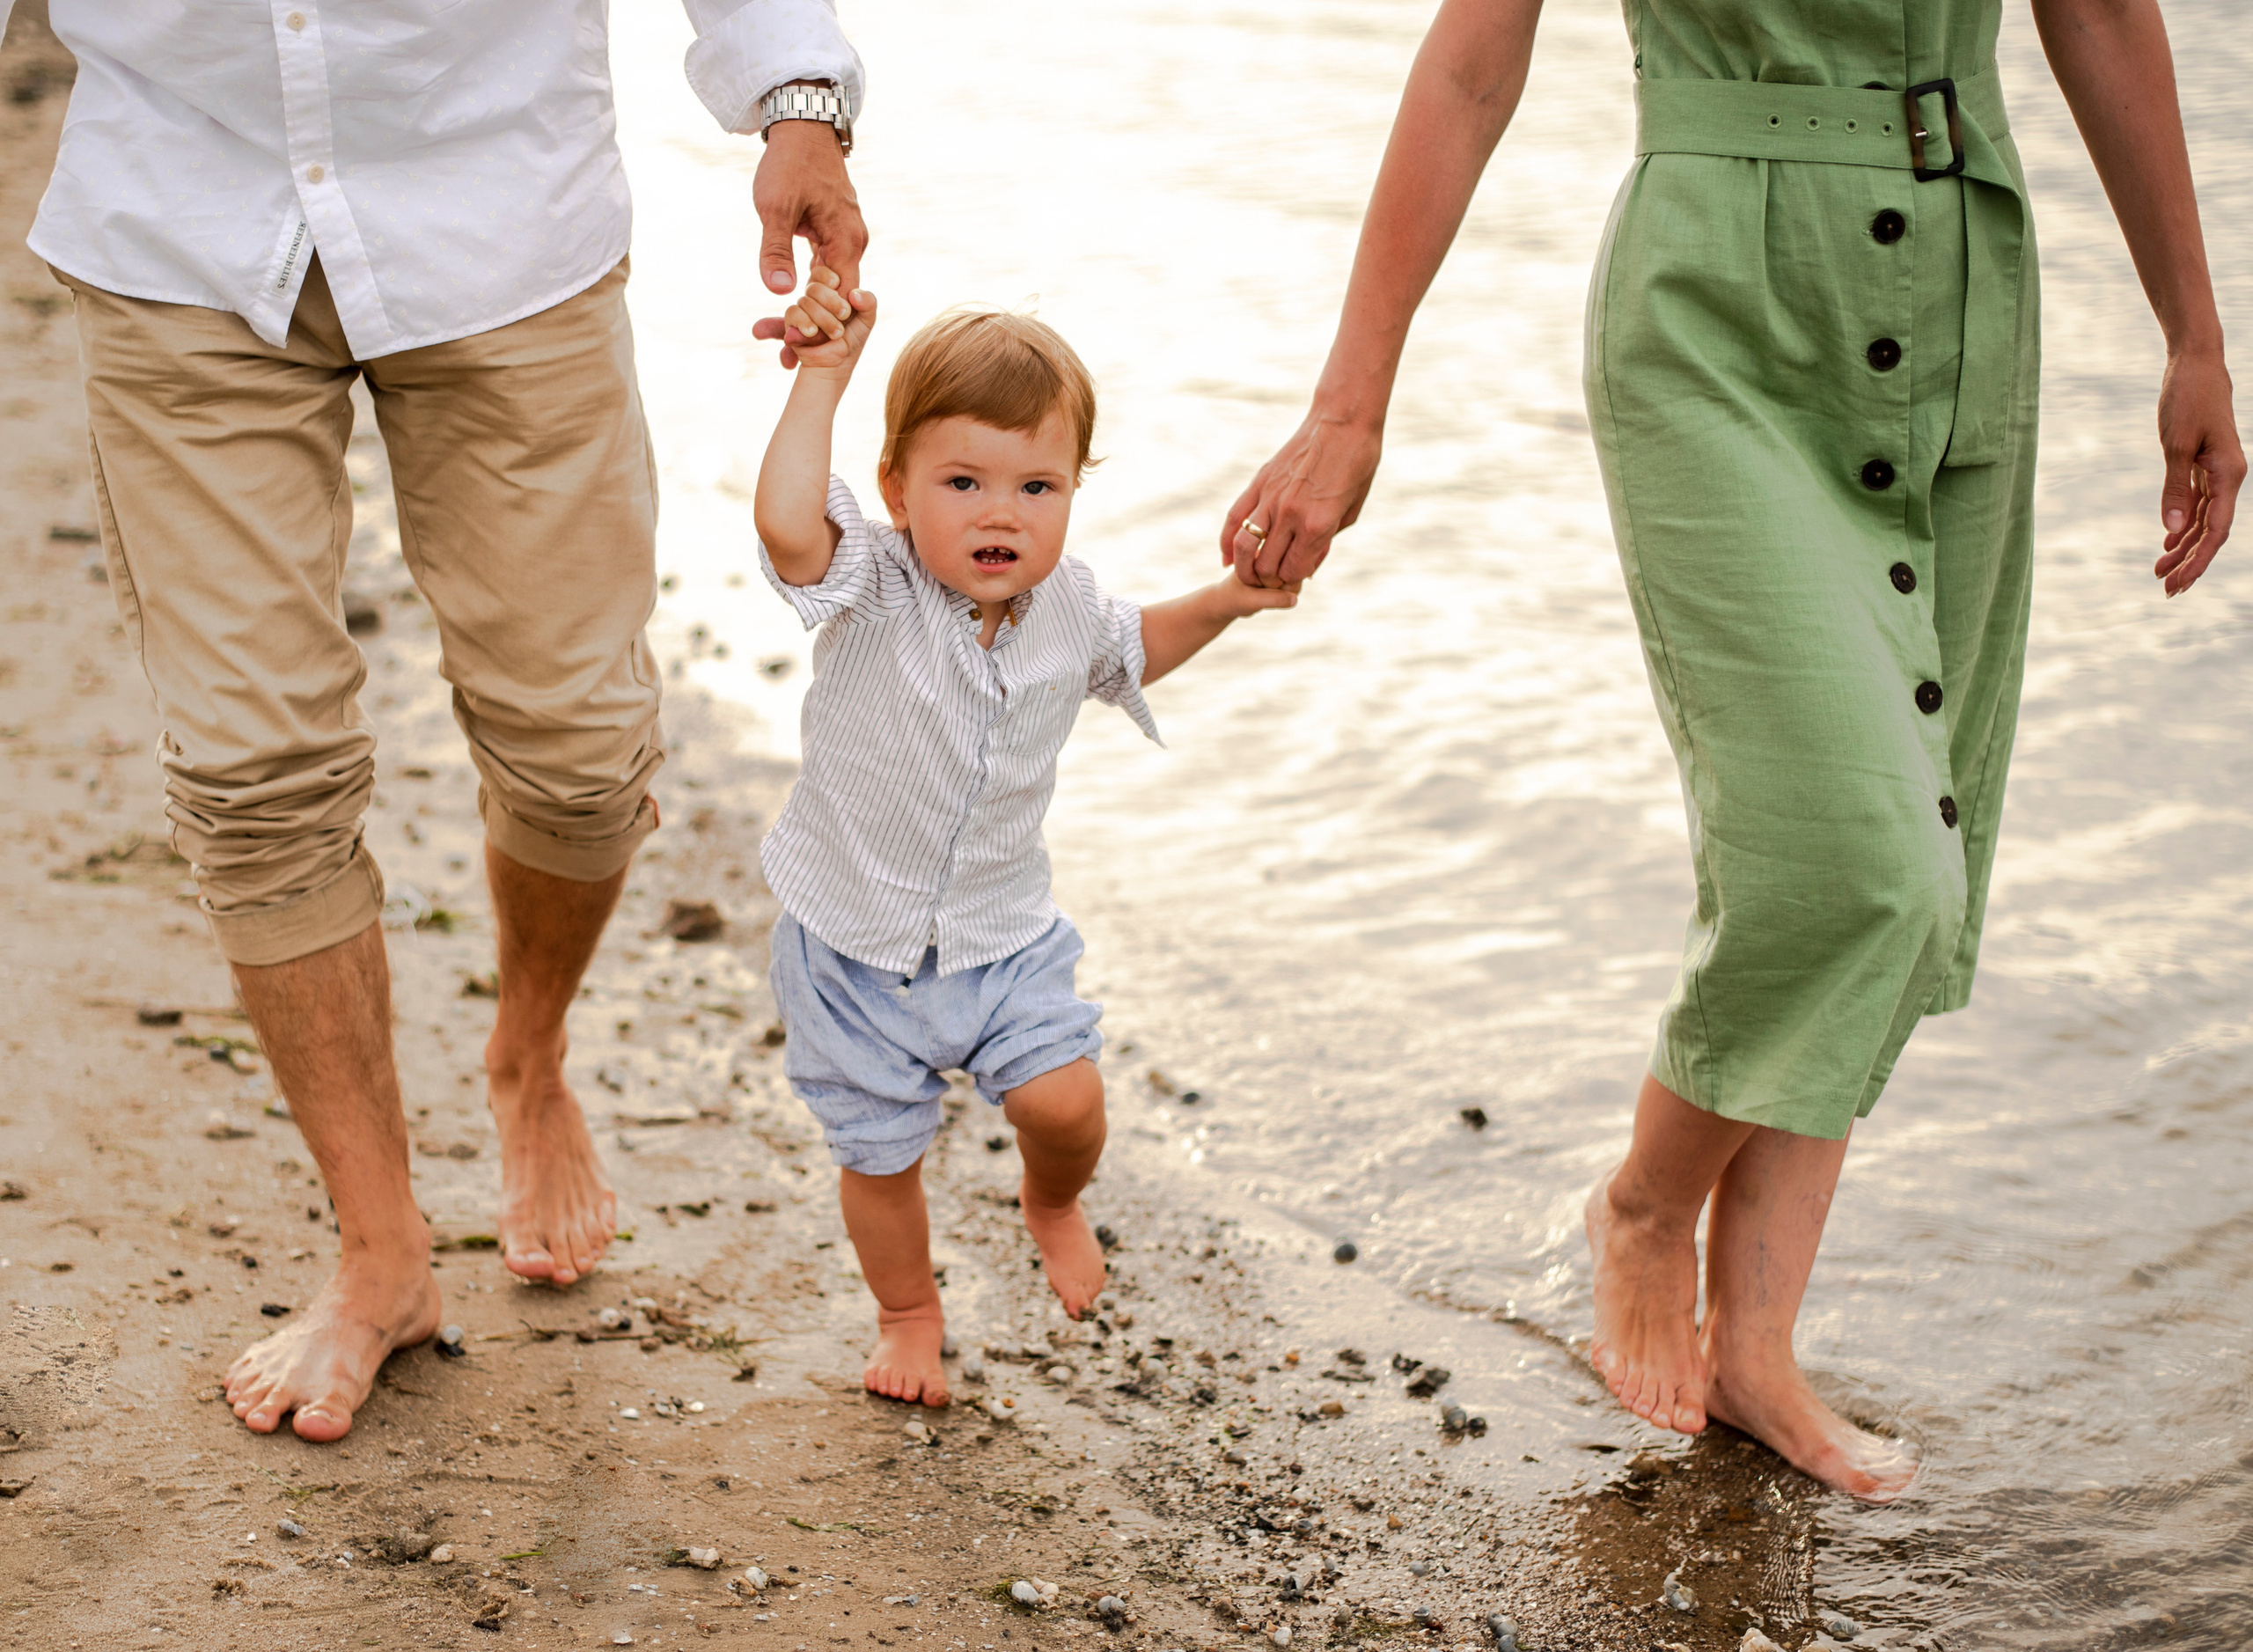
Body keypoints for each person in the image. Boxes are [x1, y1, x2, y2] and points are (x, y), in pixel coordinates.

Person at [1223, 0, 2242, 1496]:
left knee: (1917, 845)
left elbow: (2097, 11)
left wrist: (2195, 334)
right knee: (1859, 861)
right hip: (1717, 323)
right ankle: (1646, 1204)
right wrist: (1349, 401)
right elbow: (1469, 57)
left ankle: (1756, 1341)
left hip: (1963, 300)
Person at [18, 0, 870, 1443]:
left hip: (501, 215)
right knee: (250, 773)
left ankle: (525, 1055)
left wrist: (795, 98)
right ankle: (380, 1250)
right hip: (178, 214)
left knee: (584, 755)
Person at [752, 275, 1300, 1405]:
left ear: (1073, 493)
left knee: (1065, 1103)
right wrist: (823, 378)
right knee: (881, 1154)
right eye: (964, 483)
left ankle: (1048, 1198)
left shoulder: (1068, 609)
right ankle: (909, 1313)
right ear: (898, 489)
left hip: (1001, 937)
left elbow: (1134, 649)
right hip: (852, 943)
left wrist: (1231, 600)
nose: (1002, 513)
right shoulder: (874, 582)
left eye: (1036, 486)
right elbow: (785, 524)